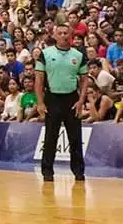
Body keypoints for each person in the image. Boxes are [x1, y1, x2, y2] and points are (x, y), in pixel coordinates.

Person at [34, 22, 89, 182]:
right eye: (61, 33)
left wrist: (81, 100)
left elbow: (85, 80)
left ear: (71, 35)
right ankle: (47, 171)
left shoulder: (78, 55)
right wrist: (40, 102)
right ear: (55, 35)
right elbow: (39, 79)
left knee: (75, 138)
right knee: (51, 137)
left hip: (71, 99)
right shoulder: (45, 53)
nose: (64, 36)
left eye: (66, 33)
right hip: (52, 98)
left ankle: (78, 172)